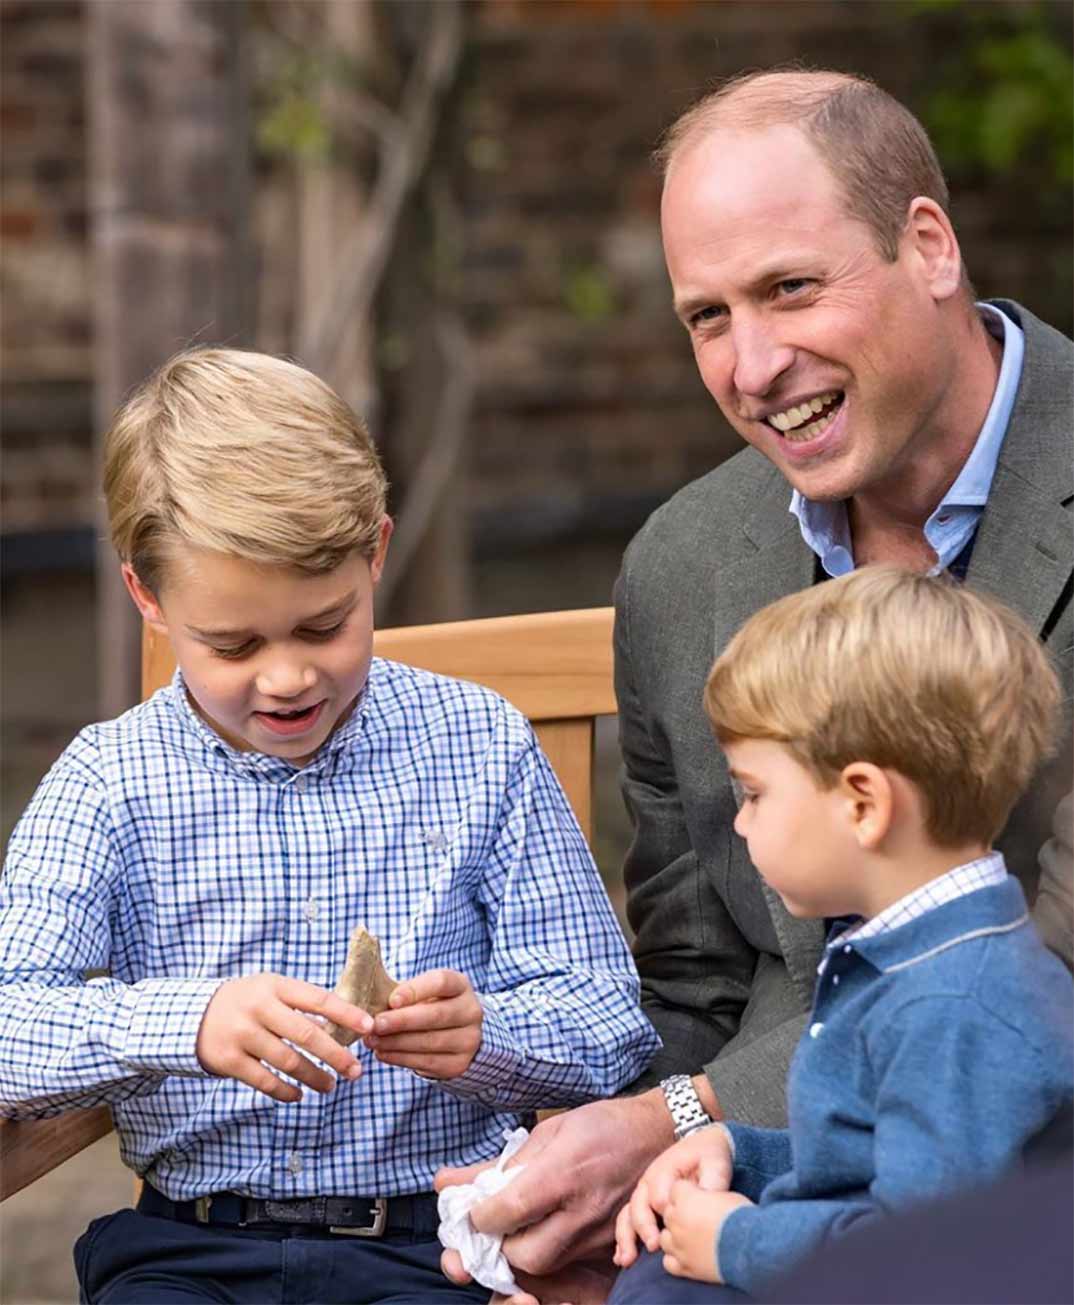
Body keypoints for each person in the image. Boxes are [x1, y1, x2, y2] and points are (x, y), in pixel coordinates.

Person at [436, 66, 1073, 1304]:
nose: (754, 363)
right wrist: (637, 1169)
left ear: (927, 246)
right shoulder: (683, 564)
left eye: (789, 289)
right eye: (707, 317)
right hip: (796, 1185)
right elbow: (699, 976)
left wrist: (691, 1114)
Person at [0, 348, 660, 1304]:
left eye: (325, 625)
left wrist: (488, 1039)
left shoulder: (477, 746)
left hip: (432, 1243)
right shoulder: (109, 782)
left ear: (376, 553)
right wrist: (186, 1020)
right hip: (191, 1251)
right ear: (149, 598)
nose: (287, 676)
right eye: (233, 644)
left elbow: (611, 1019)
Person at [607, 566, 1074, 1302]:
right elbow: (870, 1161)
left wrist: (737, 1240)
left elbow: (924, 1256)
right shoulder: (908, 957)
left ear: (862, 803)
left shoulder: (954, 1008)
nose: (739, 821)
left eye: (754, 792)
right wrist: (738, 1151)